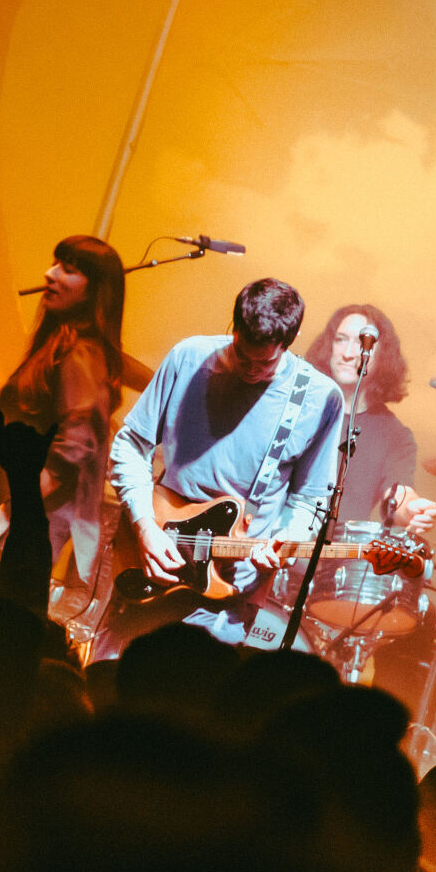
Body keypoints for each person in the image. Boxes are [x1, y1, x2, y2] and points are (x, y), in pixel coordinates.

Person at [98, 278, 343, 653]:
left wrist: (286, 538)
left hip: (229, 588)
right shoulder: (188, 357)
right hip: (154, 557)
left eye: (264, 362)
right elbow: (131, 443)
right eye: (241, 354)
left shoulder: (319, 398)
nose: (249, 369)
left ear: (288, 343)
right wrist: (144, 526)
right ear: (235, 327)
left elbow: (310, 499)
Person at [0, 236, 124, 587]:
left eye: (67, 269)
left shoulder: (82, 354)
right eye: (55, 264)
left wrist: (6, 513)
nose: (50, 274)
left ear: (93, 291)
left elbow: (74, 450)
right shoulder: (67, 347)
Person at [302, 305, 436, 534]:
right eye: (340, 339)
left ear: (383, 355)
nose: (348, 353)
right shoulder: (301, 406)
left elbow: (398, 495)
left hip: (337, 552)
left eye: (361, 343)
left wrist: (412, 509)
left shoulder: (394, 435)